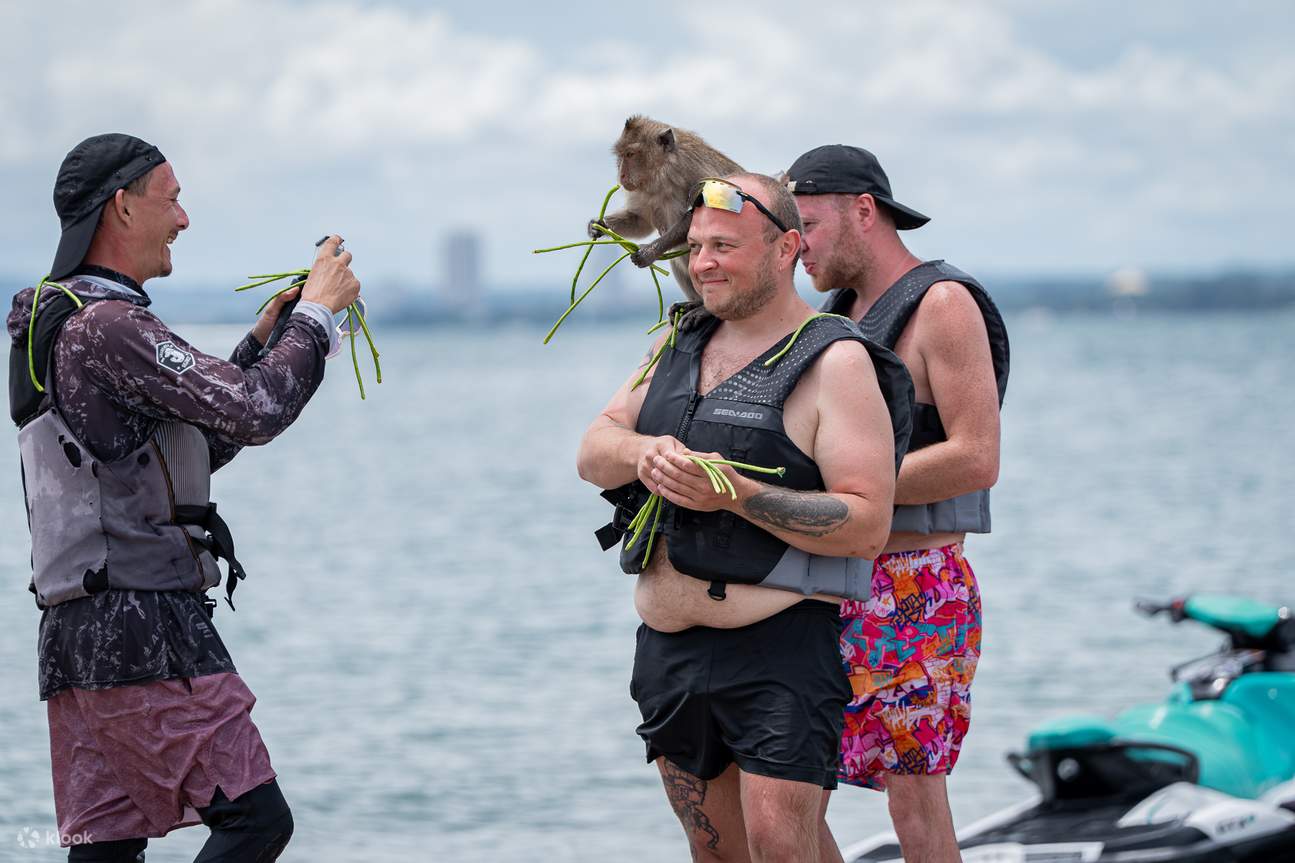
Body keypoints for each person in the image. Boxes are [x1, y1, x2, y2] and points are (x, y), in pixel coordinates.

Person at [8, 133, 360, 862]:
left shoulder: (59, 321)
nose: (185, 219)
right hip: (144, 626)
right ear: (123, 208)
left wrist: (266, 340)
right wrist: (317, 319)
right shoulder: (108, 326)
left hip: (76, 640)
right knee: (256, 821)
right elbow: (255, 411)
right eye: (173, 199)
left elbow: (180, 452)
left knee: (105, 850)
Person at [577, 172, 910, 862]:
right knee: (716, 855)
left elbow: (865, 522)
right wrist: (646, 452)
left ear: (786, 247)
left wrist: (735, 494)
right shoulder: (679, 343)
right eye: (696, 246)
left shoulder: (836, 359)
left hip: (780, 649)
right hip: (668, 651)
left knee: (781, 851)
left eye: (723, 245)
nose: (702, 263)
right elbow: (593, 452)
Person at [785, 145, 1010, 863]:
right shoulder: (835, 315)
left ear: (864, 211)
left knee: (914, 802)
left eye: (809, 226)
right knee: (785, 795)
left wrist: (851, 490)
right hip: (827, 583)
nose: (798, 247)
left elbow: (977, 455)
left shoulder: (942, 304)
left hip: (915, 585)